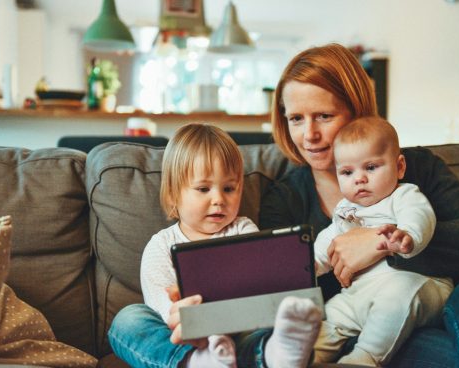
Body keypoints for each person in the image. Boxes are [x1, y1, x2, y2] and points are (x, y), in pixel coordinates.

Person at [259, 43, 459, 367]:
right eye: (296, 119)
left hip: (430, 311)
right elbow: (284, 286)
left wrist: (380, 242)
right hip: (349, 327)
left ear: (356, 110)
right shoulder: (285, 198)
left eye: (323, 116)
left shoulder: (415, 168)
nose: (310, 135)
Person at [108, 123, 322, 368]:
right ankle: (197, 362)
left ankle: (276, 355)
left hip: (240, 331)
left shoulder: (243, 229)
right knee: (127, 320)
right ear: (172, 194)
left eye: (229, 188)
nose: (219, 199)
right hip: (186, 338)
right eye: (203, 189)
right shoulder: (160, 245)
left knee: (274, 323)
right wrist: (186, 318)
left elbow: (260, 283)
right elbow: (161, 307)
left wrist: (290, 271)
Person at [311, 116, 453, 365]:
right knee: (331, 313)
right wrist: (310, 265)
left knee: (396, 296)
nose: (359, 179)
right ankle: (307, 356)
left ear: (399, 167)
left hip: (417, 285)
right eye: (347, 172)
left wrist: (408, 236)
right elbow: (329, 240)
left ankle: (363, 358)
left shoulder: (403, 195)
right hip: (360, 294)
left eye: (371, 167)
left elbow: (419, 215)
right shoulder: (345, 209)